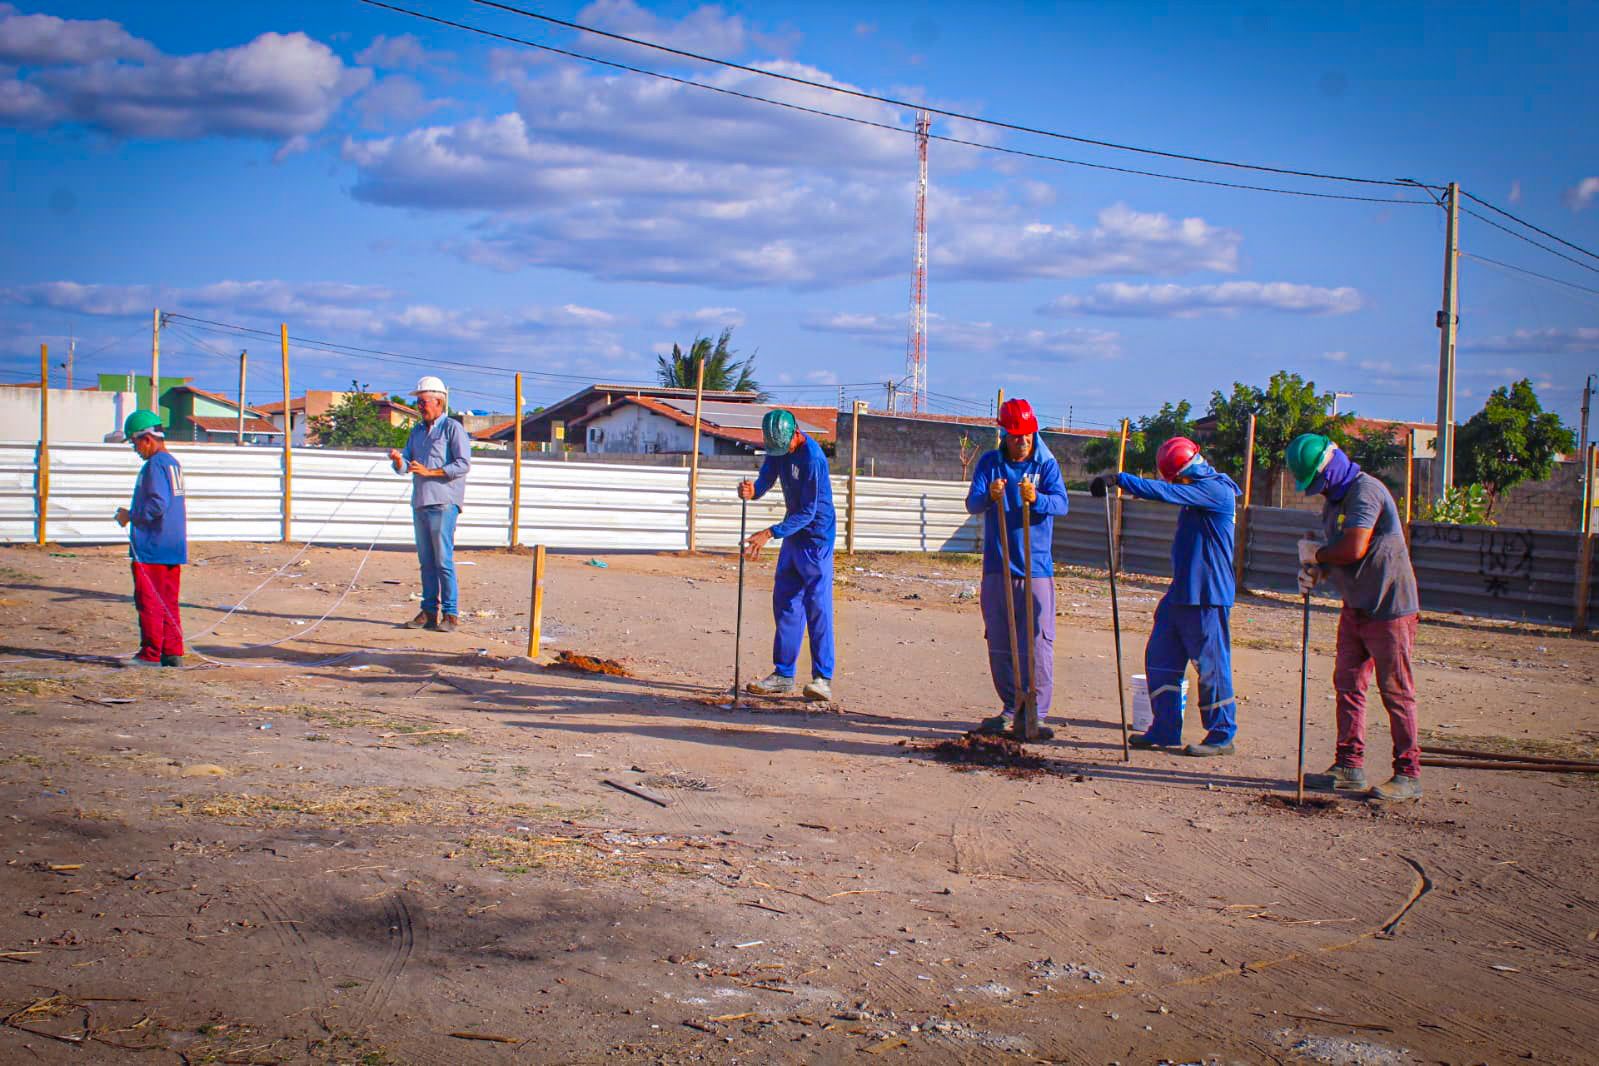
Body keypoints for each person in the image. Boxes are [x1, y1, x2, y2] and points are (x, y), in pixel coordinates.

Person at [1288, 432, 1422, 803]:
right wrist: (1317, 572)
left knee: (1396, 692)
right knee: (1348, 683)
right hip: (1357, 606)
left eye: (1317, 480)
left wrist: (1318, 557)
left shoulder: (1366, 491)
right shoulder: (1334, 502)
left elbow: (1353, 547)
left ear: (1331, 465)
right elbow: (1339, 554)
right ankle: (1349, 766)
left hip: (1390, 607)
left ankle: (1408, 773)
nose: (1316, 489)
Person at [1093, 437, 1242, 756]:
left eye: (1176, 478)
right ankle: (1165, 727)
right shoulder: (1196, 489)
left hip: (1208, 595)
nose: (1174, 483)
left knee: (1211, 665)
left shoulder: (1216, 490)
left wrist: (1121, 480)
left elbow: (1167, 493)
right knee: (1160, 657)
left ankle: (1221, 733)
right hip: (1181, 592)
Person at [965, 398, 1069, 740]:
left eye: (1027, 435)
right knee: (1000, 639)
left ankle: (1035, 713)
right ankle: (1010, 708)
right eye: (1015, 436)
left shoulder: (1046, 463)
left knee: (1037, 642)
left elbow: (1062, 505)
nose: (1022, 441)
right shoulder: (990, 463)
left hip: (1035, 567)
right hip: (998, 566)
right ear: (1004, 434)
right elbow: (972, 503)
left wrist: (1038, 499)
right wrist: (991, 496)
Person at [738, 409, 837, 701]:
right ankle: (783, 674)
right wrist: (751, 490)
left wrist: (769, 533)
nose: (780, 453)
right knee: (786, 603)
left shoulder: (813, 459)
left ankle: (822, 679)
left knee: (817, 606)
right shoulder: (778, 448)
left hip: (816, 539)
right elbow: (765, 480)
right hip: (793, 535)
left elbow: (808, 511)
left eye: (785, 447)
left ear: (796, 433)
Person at [388, 375, 471, 632]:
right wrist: (397, 460)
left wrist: (430, 472)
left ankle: (450, 613)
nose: (420, 407)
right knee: (426, 561)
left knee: (443, 560)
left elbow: (463, 464)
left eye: (423, 402)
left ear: (438, 402)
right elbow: (405, 467)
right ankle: (428, 611)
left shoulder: (453, 429)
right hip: (421, 503)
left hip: (444, 503)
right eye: (419, 402)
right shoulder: (417, 431)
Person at [114, 409, 187, 667]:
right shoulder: (172, 463)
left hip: (153, 547)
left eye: (135, 443)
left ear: (146, 439)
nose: (135, 449)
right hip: (172, 546)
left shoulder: (154, 465)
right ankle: (171, 651)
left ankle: (150, 654)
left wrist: (130, 515)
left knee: (150, 601)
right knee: (168, 601)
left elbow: (158, 504)